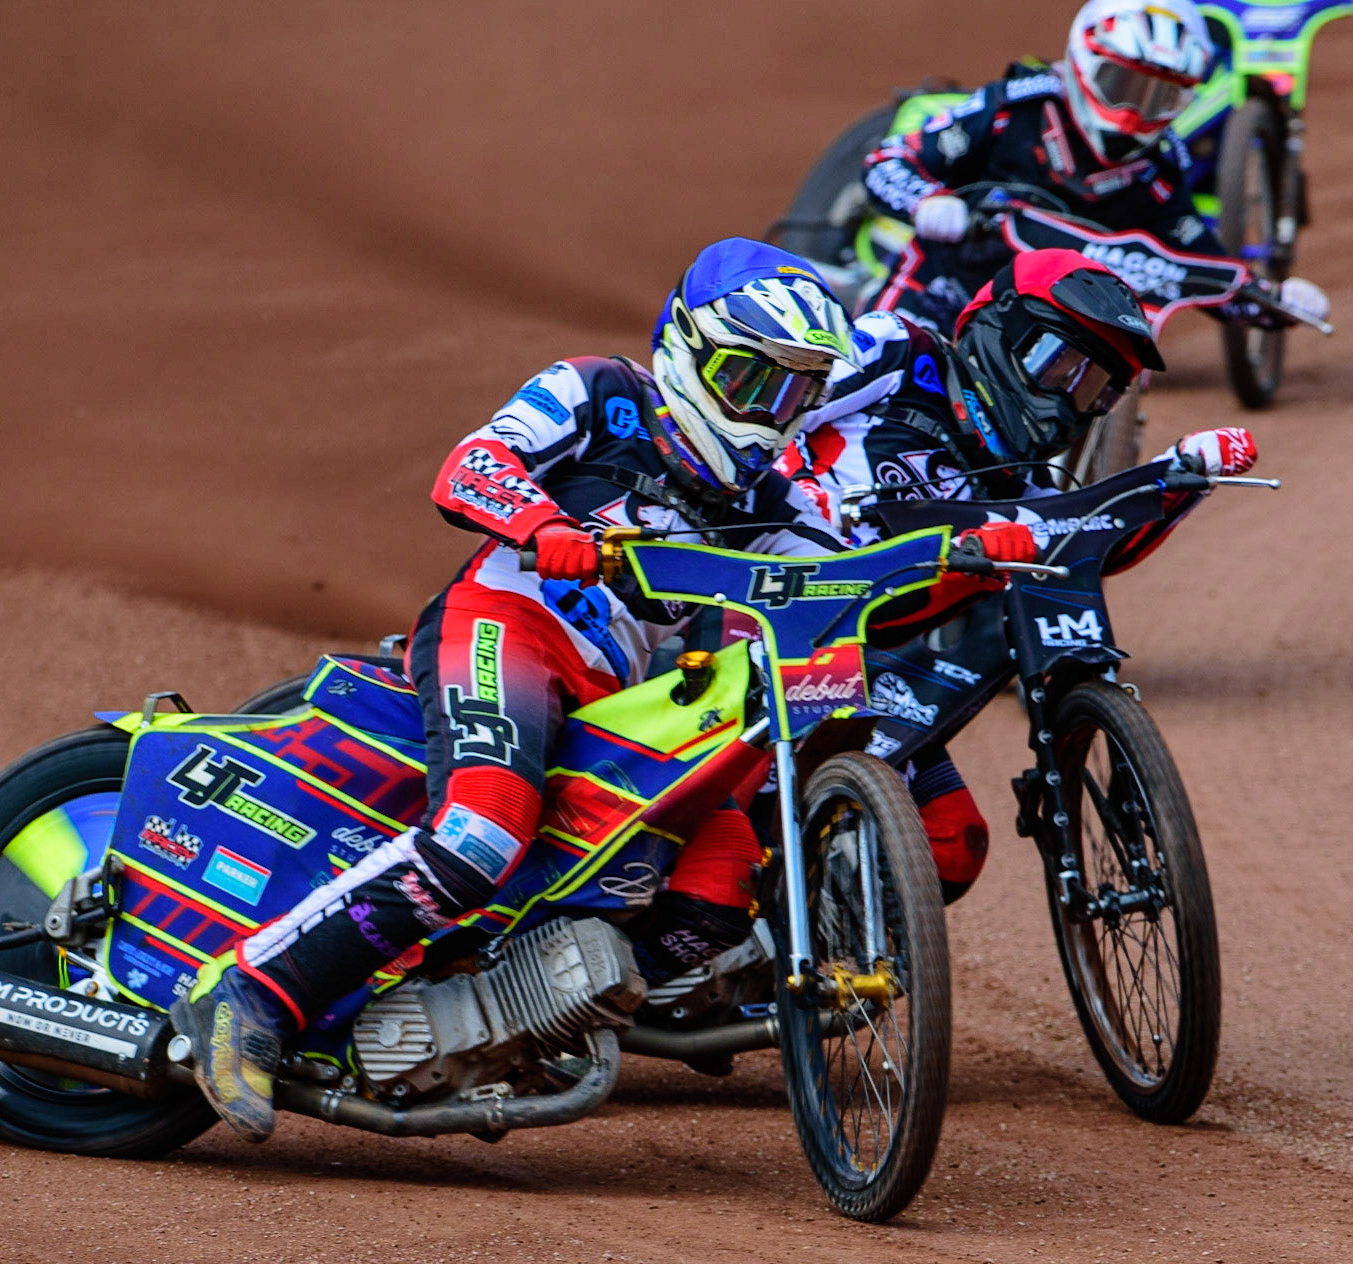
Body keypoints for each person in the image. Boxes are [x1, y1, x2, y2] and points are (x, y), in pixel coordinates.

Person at [173, 237, 1036, 1140]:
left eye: (796, 392)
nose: (772, 414)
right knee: (480, 832)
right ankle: (249, 994)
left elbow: (844, 582)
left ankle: (507, 1011)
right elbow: (471, 464)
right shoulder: (601, 392)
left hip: (625, 703)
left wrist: (965, 556)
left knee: (718, 886)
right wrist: (543, 522)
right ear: (693, 350)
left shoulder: (772, 496)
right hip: (512, 629)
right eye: (756, 383)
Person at [781, 247, 1256, 899]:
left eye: (1095, 388)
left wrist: (1179, 480)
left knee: (953, 849)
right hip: (776, 616)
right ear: (1002, 328)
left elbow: (1098, 546)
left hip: (869, 667)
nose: (1070, 401)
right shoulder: (898, 350)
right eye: (1061, 365)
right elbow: (767, 415)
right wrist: (800, 495)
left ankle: (834, 956)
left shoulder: (1027, 485)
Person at [860, 0, 1329, 331]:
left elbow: (1200, 267)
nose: (1131, 114)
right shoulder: (1013, 108)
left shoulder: (1157, 172)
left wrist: (1273, 299)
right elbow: (888, 161)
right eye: (1120, 83)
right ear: (1084, 62)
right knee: (881, 363)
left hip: (1045, 333)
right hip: (944, 292)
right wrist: (927, 202)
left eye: (1158, 97)